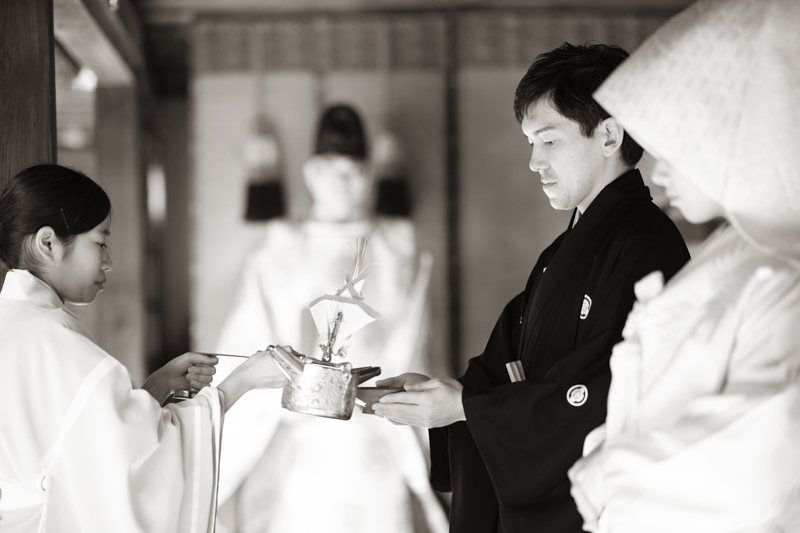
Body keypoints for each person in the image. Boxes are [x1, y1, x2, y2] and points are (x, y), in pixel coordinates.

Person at [373, 43, 690, 533]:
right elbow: (507, 365)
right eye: (530, 143)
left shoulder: (646, 246)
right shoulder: (562, 253)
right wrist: (449, 398)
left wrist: (465, 408)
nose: (534, 162)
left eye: (549, 141)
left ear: (609, 135)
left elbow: (603, 391)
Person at [567, 0, 800, 530]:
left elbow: (765, 454)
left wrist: (614, 471)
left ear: (733, 139)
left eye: (673, 146)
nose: (657, 168)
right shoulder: (740, 251)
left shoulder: (785, 272)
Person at [0, 165, 285, 532]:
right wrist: (241, 382)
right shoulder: (53, 342)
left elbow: (86, 442)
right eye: (100, 242)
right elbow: (135, 465)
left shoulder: (17, 322)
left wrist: (157, 386)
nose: (108, 261)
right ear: (48, 243)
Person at [212, 105, 447, 533]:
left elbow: (415, 348)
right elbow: (248, 345)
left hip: (377, 429)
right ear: (310, 173)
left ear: (371, 174)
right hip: (300, 432)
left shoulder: (397, 246)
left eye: (354, 170)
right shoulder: (280, 249)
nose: (342, 181)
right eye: (330, 169)